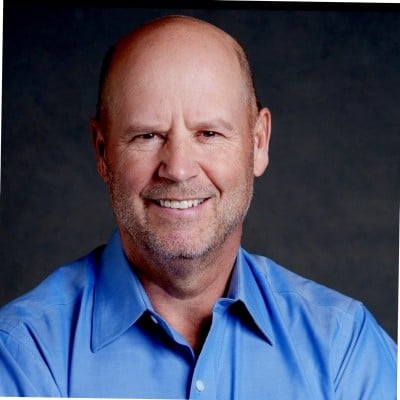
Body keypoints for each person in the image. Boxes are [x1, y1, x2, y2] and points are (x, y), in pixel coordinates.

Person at [0, 14, 396, 399]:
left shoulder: (345, 349)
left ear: (258, 143)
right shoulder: (25, 355)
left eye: (208, 133)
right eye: (147, 135)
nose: (178, 169)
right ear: (103, 153)